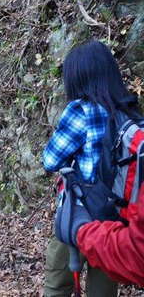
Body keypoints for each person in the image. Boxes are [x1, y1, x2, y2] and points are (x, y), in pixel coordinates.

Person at [42, 40, 140, 296]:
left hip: (79, 214)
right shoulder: (130, 111)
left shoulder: (81, 111)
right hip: (113, 223)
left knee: (57, 288)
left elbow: (50, 160)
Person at [55, 184, 144, 287]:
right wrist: (65, 187)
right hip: (76, 214)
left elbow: (138, 256)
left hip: (105, 227)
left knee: (102, 289)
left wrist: (82, 232)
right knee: (58, 284)